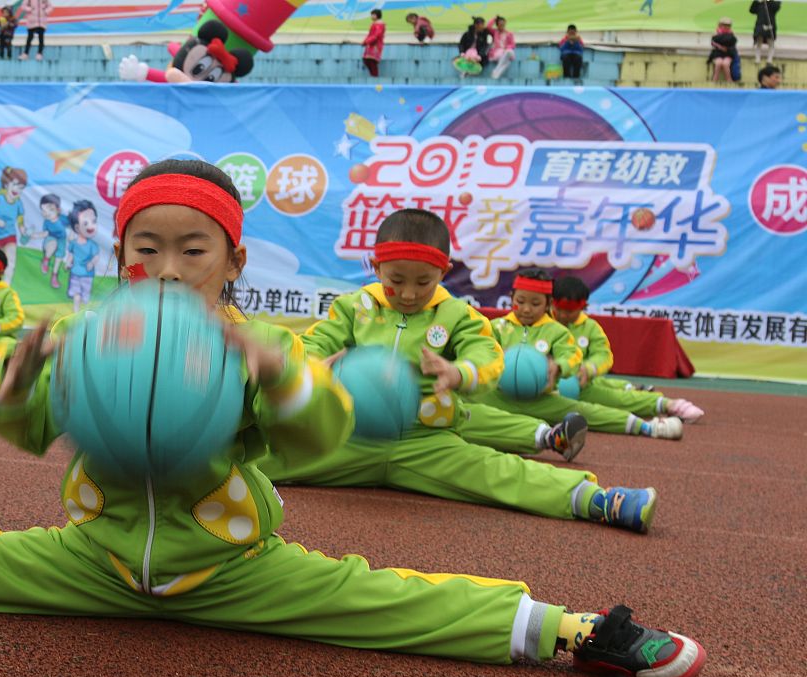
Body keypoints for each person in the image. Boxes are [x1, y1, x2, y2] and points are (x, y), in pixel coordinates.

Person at [0, 162, 706, 677]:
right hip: (89, 557)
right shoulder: (81, 331)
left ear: (233, 264)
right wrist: (14, 370)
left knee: (393, 598)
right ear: (120, 259)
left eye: (192, 250)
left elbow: (315, 438)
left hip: (238, 569)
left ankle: (573, 631)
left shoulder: (258, 346)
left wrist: (269, 373)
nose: (164, 270)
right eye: (143, 248)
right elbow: (17, 425)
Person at [258, 208, 659, 531]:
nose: (411, 293)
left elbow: (487, 357)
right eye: (397, 280)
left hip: (426, 440)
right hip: (347, 435)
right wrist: (310, 366)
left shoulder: (458, 314)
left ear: (444, 273)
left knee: (497, 472)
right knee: (258, 459)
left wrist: (457, 372)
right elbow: (313, 343)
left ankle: (599, 500)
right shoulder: (351, 307)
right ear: (376, 268)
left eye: (424, 282)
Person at [469, 268, 684, 440]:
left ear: (548, 304)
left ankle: (647, 427)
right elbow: (478, 348)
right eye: (520, 301)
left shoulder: (557, 332)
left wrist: (559, 366)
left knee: (588, 412)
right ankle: (545, 436)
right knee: (463, 406)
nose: (526, 309)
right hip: (497, 395)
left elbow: (573, 356)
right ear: (511, 298)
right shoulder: (496, 326)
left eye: (535, 303)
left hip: (541, 397)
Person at [550, 276, 704, 423]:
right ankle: (627, 387)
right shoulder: (545, 324)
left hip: (581, 384)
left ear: (583, 307)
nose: (563, 315)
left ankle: (671, 405)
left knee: (618, 400)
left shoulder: (591, 328)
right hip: (546, 389)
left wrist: (589, 369)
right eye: (559, 309)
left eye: (569, 312)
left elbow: (604, 356)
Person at [0, 166, 28, 282]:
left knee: (10, 262)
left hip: (10, 235)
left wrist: (22, 228)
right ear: (7, 184)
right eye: (14, 185)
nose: (17, 190)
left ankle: (6, 286)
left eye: (21, 188)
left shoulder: (18, 203)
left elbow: (20, 217)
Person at [64, 199, 100, 313]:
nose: (91, 226)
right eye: (86, 223)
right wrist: (68, 263)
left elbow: (96, 256)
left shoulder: (92, 245)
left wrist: (92, 263)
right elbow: (71, 254)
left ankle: (85, 311)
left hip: (87, 275)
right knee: (76, 293)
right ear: (77, 228)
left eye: (93, 221)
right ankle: (76, 312)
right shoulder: (74, 243)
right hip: (75, 273)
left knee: (85, 295)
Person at [37, 192, 68, 289]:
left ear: (58, 210)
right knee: (53, 243)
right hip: (50, 238)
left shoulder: (63, 219)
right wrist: (35, 235)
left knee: (59, 258)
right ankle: (46, 259)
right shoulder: (47, 222)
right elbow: (45, 233)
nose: (47, 213)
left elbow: (72, 225)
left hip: (62, 240)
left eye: (50, 209)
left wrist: (71, 235)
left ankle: (54, 276)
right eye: (43, 210)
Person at [709, 17, 740, 83]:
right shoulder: (716, 34)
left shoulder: (731, 35)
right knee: (718, 63)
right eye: (724, 25)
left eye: (728, 25)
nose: (726, 27)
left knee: (726, 64)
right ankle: (714, 80)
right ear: (720, 25)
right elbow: (713, 44)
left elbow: (732, 46)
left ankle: (729, 81)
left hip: (728, 54)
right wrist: (720, 47)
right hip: (718, 54)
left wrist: (726, 49)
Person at [751, 0, 780, 65]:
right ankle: (757, 59)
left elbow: (777, 7)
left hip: (770, 25)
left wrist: (769, 1)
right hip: (760, 25)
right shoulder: (759, 3)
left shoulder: (774, 3)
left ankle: (769, 60)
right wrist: (757, 2)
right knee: (759, 42)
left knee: (771, 43)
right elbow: (752, 10)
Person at [361, 9, 385, 77]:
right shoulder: (374, 24)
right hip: (370, 44)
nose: (372, 16)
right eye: (371, 15)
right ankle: (373, 75)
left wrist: (367, 42)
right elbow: (370, 34)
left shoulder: (380, 24)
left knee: (372, 61)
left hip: (376, 45)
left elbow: (376, 35)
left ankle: (374, 76)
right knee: (366, 60)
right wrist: (365, 41)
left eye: (373, 15)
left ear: (378, 15)